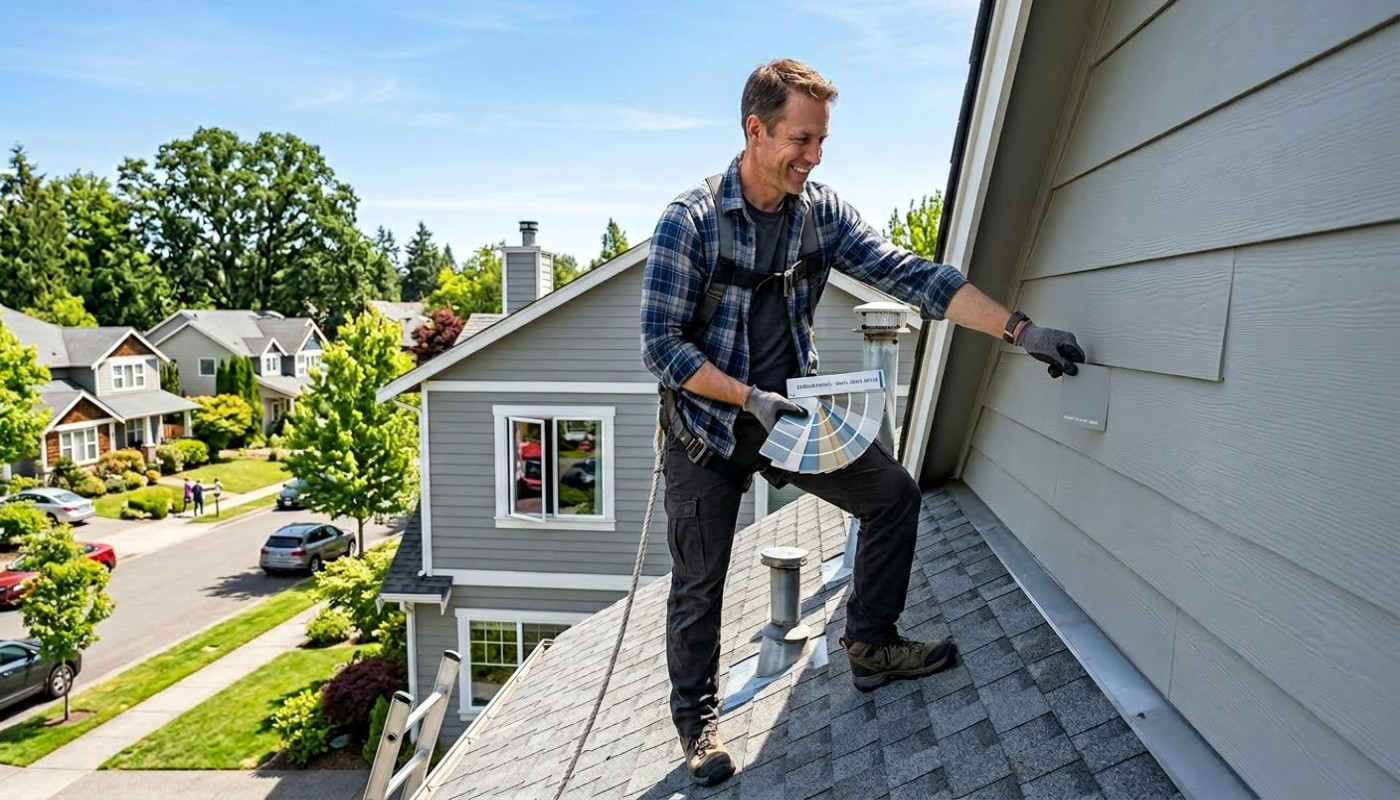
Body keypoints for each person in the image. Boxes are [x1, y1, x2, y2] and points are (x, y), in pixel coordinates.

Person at [640, 59, 1085, 787]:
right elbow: (662, 347)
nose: (812, 159)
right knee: (700, 584)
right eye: (800, 140)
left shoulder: (819, 214)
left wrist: (1020, 330)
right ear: (755, 131)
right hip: (709, 426)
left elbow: (916, 275)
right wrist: (747, 397)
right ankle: (699, 725)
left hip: (789, 417)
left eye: (821, 143)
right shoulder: (689, 223)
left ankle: (872, 646)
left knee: (893, 496)